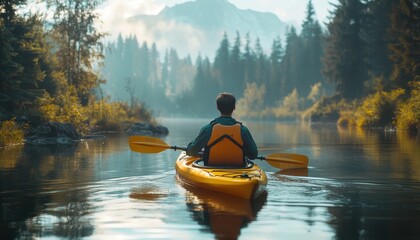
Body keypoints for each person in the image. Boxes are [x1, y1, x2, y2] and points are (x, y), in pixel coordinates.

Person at [186, 92, 258, 167]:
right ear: (234, 107)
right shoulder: (243, 130)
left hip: (211, 169)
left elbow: (191, 151)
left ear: (217, 107)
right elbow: (253, 155)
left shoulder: (208, 129)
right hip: (238, 169)